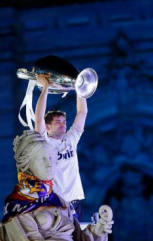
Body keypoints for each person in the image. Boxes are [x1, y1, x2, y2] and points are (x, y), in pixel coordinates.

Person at [0, 130, 113, 241]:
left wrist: (97, 231)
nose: (49, 164)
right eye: (42, 159)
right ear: (27, 165)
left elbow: (79, 238)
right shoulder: (18, 204)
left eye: (52, 158)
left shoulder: (59, 201)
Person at [34, 56, 88, 221]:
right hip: (55, 203)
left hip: (74, 202)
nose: (63, 125)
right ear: (48, 126)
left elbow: (82, 112)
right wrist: (45, 88)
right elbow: (38, 117)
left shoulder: (70, 140)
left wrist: (80, 86)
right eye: (58, 122)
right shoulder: (45, 142)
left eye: (64, 122)